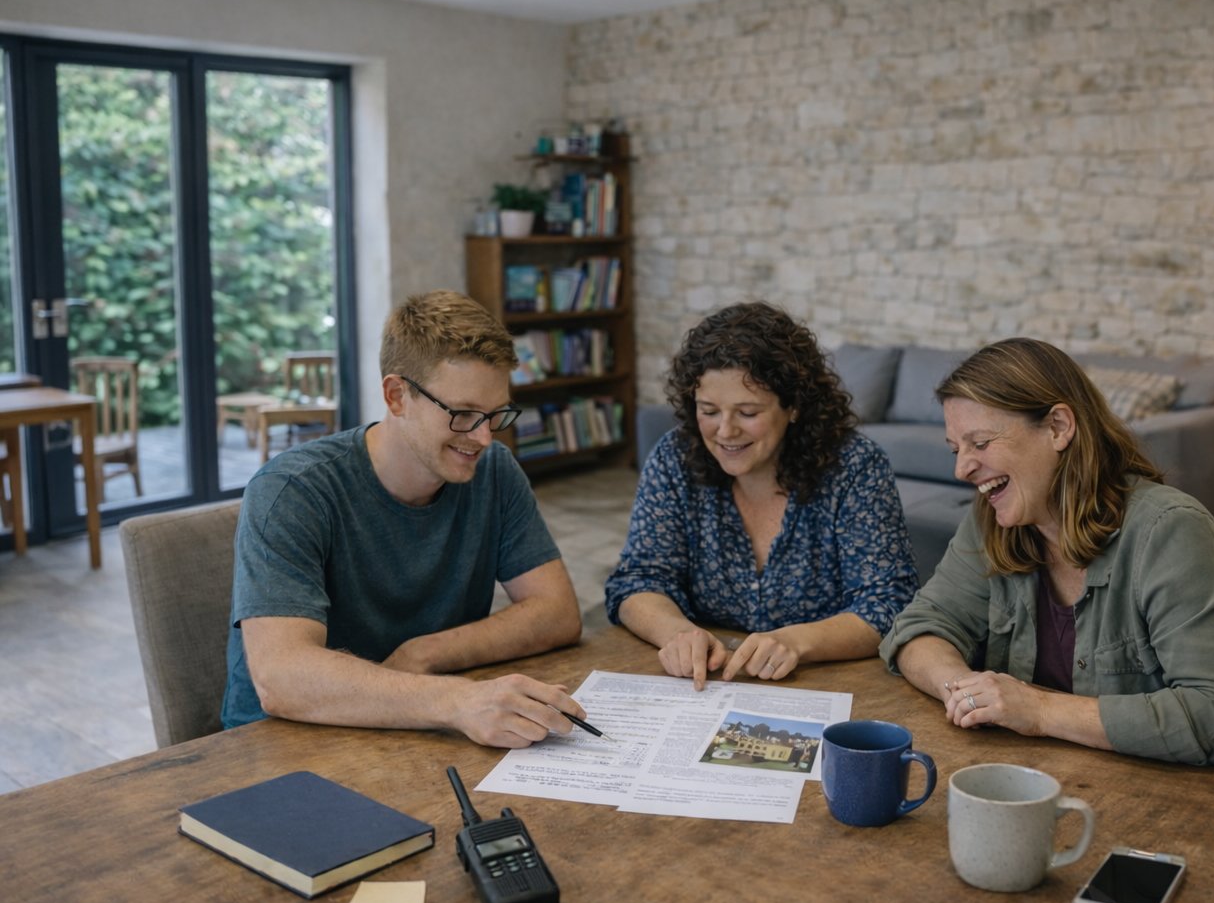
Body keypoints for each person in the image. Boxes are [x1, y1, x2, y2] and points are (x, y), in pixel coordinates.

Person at [879, 338, 1214, 786]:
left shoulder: (1170, 531)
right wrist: (968, 695)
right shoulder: (993, 520)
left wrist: (1038, 709)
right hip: (1081, 788)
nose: (962, 469)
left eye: (981, 443)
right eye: (956, 449)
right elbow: (918, 629)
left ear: (1059, 427)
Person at [223, 290, 586, 748]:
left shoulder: (493, 472)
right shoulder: (292, 491)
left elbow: (557, 613)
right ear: (397, 396)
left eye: (496, 416)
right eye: (463, 414)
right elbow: (281, 676)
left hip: (414, 732)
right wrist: (456, 702)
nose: (483, 438)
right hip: (284, 743)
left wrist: (424, 653)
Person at [605, 301, 919, 689]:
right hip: (707, 683)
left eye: (748, 412)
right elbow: (638, 579)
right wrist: (677, 633)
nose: (725, 431)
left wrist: (797, 641)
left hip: (830, 683)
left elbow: (889, 602)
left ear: (794, 407)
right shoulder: (675, 458)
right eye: (709, 410)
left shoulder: (854, 467)